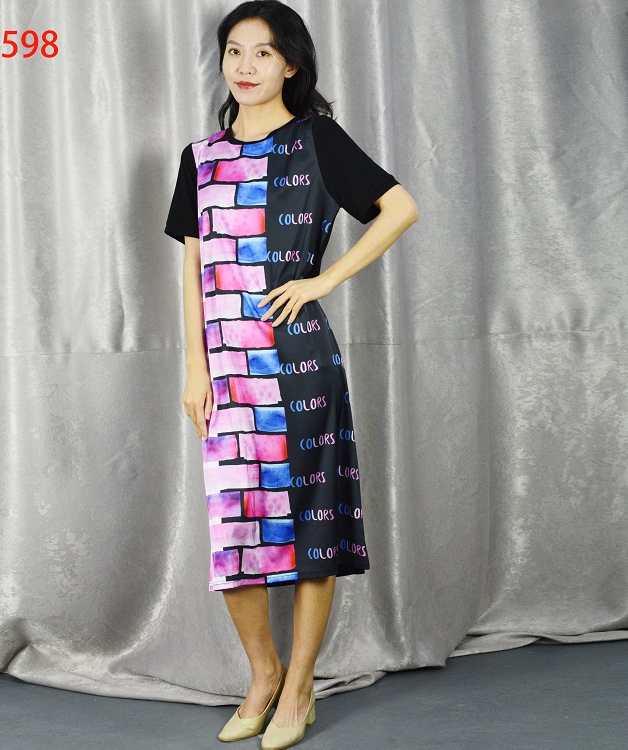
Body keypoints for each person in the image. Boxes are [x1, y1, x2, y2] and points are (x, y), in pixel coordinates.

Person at [164, 1, 419, 747]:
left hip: (299, 366)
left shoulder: (317, 140)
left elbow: (399, 207)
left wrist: (324, 280)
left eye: (263, 53)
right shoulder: (200, 157)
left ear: (291, 65)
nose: (245, 66)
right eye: (234, 51)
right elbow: (193, 267)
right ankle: (264, 673)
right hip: (227, 372)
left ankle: (300, 686)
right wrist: (195, 367)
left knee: (311, 527)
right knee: (238, 530)